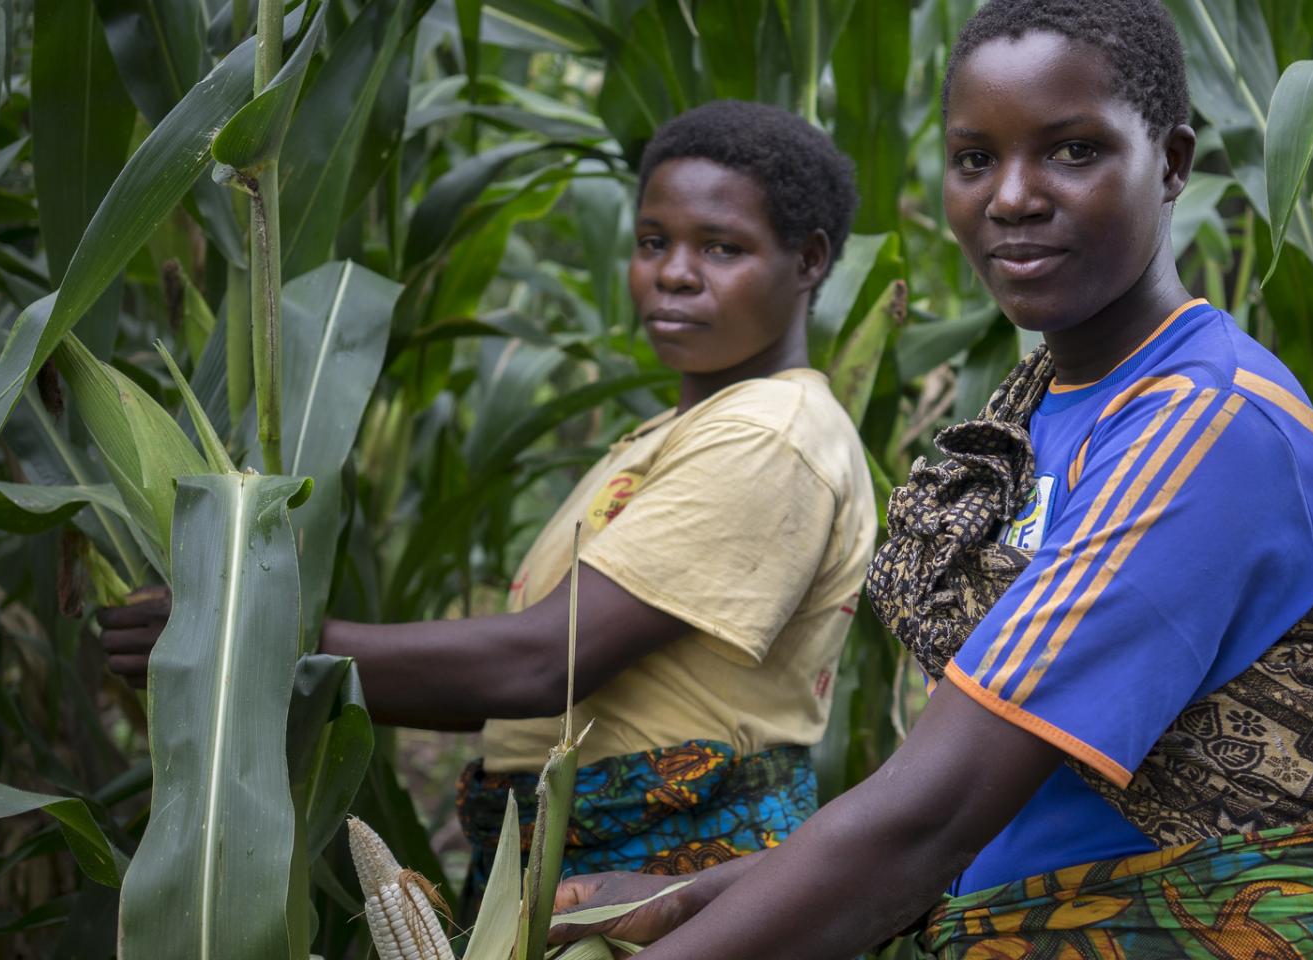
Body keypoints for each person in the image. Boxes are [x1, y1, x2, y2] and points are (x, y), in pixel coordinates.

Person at [551, 2, 1313, 957]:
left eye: (1073, 150)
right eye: (973, 158)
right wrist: (670, 898)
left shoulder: (1201, 427)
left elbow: (931, 818)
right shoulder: (1058, 399)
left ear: (1170, 163)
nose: (1012, 197)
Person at [98, 101, 876, 895]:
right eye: (653, 242)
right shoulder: (670, 435)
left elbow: (541, 663)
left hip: (664, 880)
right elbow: (506, 705)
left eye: (721, 247)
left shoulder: (770, 433)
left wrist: (242, 638)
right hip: (571, 865)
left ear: (809, 260)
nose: (673, 272)